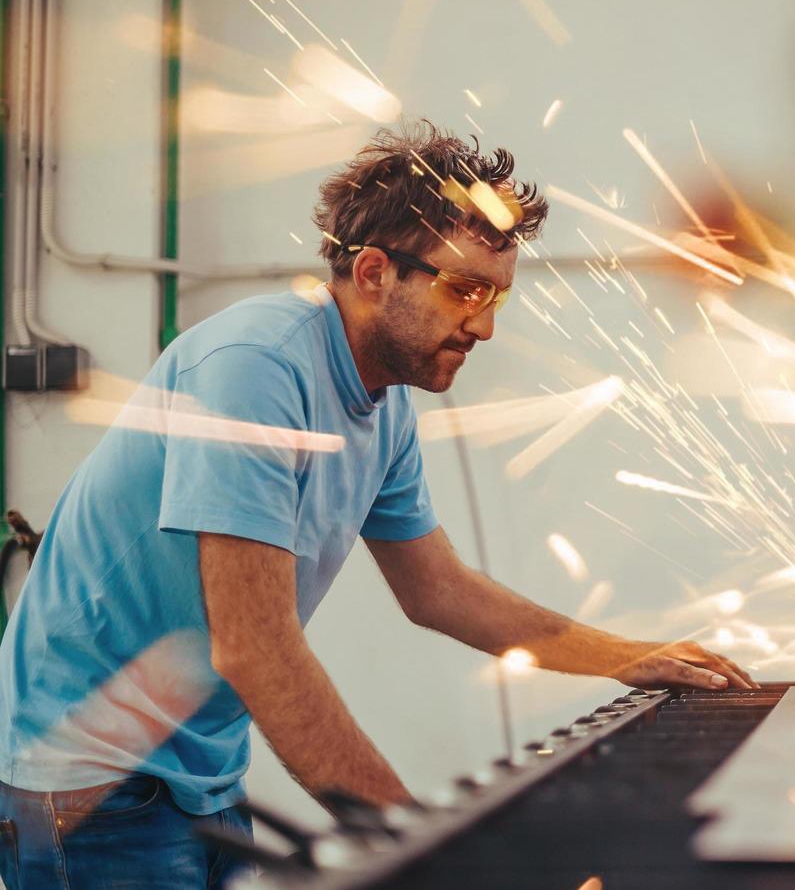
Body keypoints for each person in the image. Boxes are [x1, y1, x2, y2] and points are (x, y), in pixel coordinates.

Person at [0, 121, 753, 888]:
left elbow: (439, 591)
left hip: (201, 775)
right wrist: (425, 850)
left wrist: (628, 657)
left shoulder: (379, 403)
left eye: (495, 297)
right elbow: (255, 648)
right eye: (464, 290)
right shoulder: (255, 370)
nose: (485, 326)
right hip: (93, 788)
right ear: (371, 272)